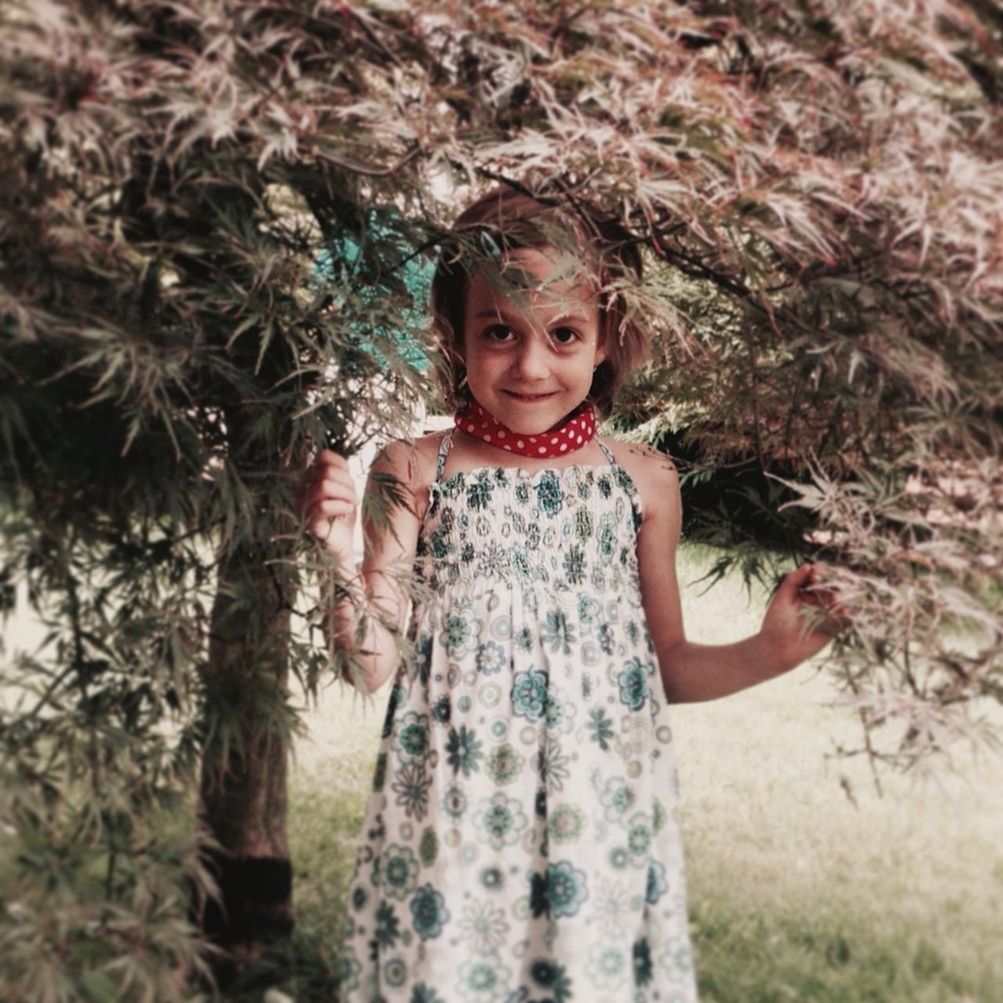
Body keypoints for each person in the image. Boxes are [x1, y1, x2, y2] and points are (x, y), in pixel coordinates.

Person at [300, 187, 840, 1002]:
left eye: (562, 333)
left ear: (606, 340)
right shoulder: (414, 469)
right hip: (456, 815)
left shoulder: (643, 482)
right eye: (498, 332)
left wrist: (766, 653)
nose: (529, 364)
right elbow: (370, 661)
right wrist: (335, 549)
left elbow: (663, 665)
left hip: (598, 819)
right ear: (457, 334)